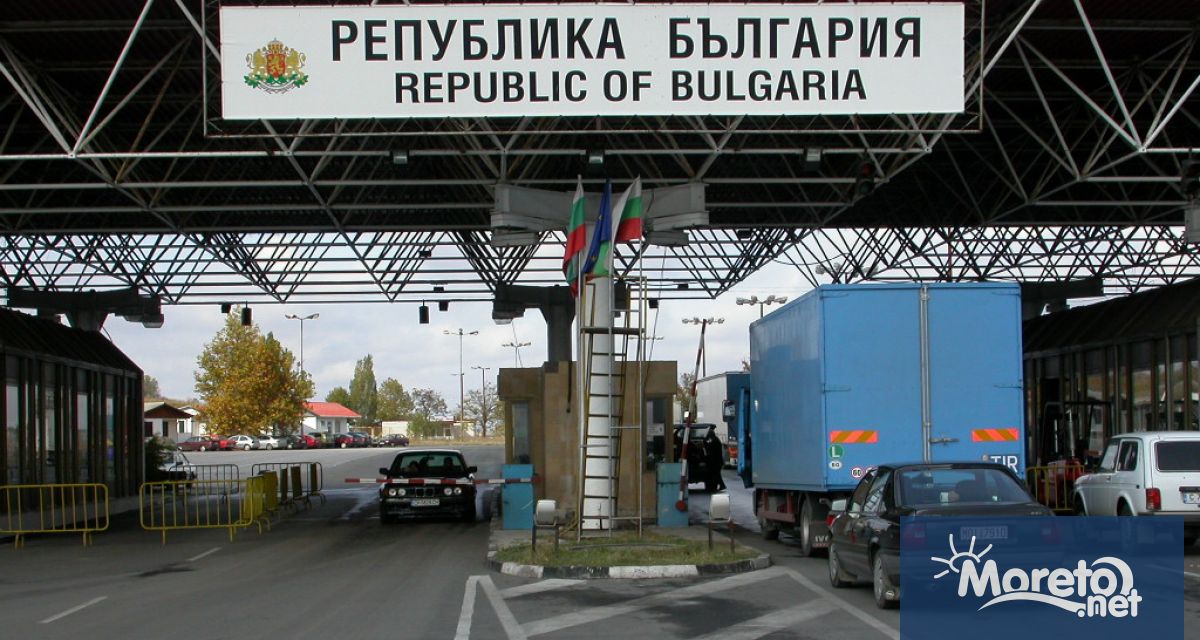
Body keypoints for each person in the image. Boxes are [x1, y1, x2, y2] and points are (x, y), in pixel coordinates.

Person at [703, 427, 727, 492]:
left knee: (716, 474)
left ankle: (721, 485)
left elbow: (710, 449)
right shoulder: (715, 439)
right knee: (716, 474)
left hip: (716, 462)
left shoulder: (714, 441)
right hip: (717, 461)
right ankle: (721, 485)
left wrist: (704, 443)